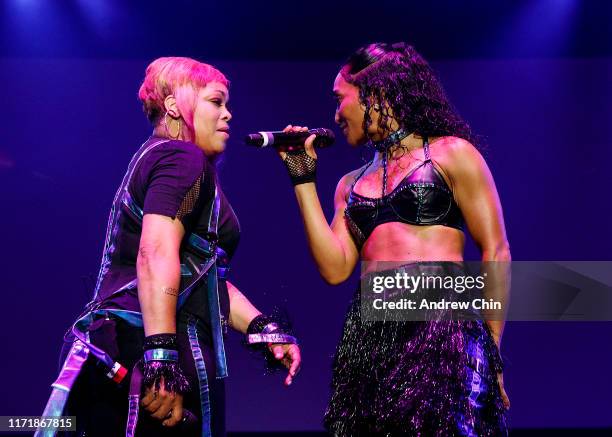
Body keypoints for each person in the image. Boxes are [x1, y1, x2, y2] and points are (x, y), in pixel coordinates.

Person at [38, 57, 301, 437]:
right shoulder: (182, 157)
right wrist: (161, 361)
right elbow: (155, 254)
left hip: (125, 346)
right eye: (216, 101)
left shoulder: (162, 156)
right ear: (174, 105)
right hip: (146, 352)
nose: (228, 115)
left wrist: (263, 328)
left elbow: (198, 274)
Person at [278, 43, 510, 435]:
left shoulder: (451, 154)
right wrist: (302, 179)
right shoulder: (349, 185)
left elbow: (496, 249)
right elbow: (335, 270)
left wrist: (491, 349)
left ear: (376, 93)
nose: (335, 115)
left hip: (442, 328)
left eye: (340, 100)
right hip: (371, 337)